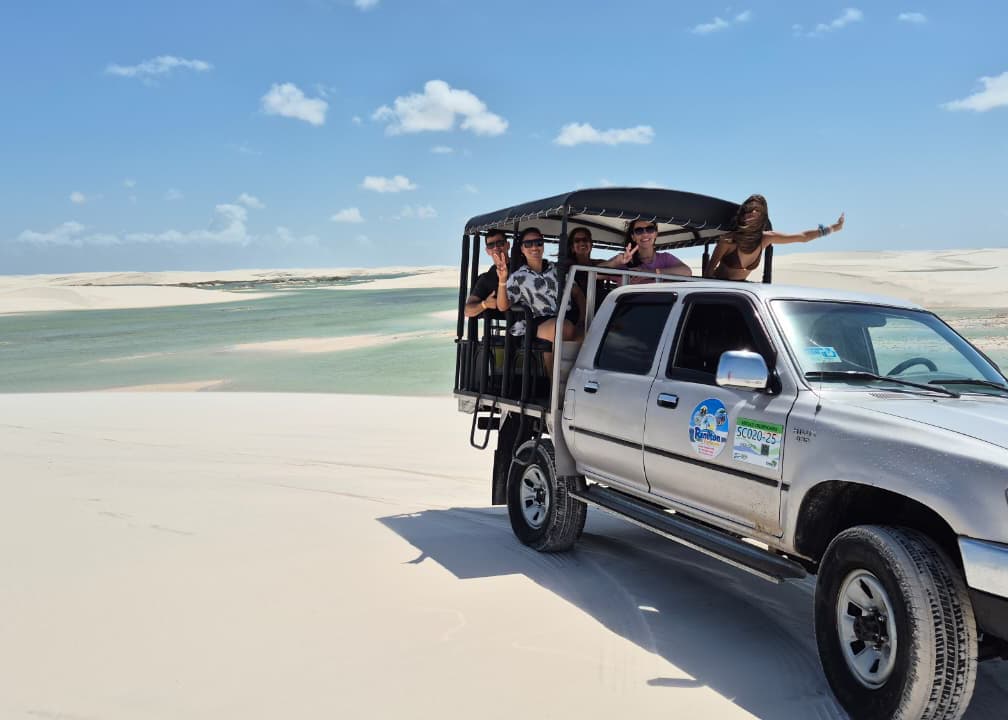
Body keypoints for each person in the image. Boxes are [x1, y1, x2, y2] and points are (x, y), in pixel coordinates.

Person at [495, 228, 584, 374]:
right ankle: (554, 387)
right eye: (528, 244)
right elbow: (503, 306)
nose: (534, 247)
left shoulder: (557, 270)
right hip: (536, 322)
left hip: (566, 318)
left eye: (538, 242)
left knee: (588, 337)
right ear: (522, 249)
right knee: (561, 328)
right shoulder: (518, 277)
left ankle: (569, 386)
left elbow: (578, 294)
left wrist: (582, 320)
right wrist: (502, 280)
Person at [703, 194, 845, 281]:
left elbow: (802, 237)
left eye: (756, 210)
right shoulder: (728, 241)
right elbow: (708, 273)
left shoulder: (765, 239)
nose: (751, 213)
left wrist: (833, 228)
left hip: (741, 294)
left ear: (762, 215)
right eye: (748, 210)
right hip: (721, 293)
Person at [602, 219, 692, 282]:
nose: (645, 234)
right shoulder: (622, 260)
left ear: (656, 234)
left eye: (650, 229)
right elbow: (596, 275)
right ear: (633, 237)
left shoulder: (665, 258)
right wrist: (616, 261)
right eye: (639, 231)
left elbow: (687, 271)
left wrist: (650, 273)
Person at [463, 229, 509, 317]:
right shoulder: (487, 278)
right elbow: (467, 311)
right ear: (488, 251)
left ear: (507, 245)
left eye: (499, 243)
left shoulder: (522, 266)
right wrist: (484, 304)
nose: (495, 248)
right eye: (491, 245)